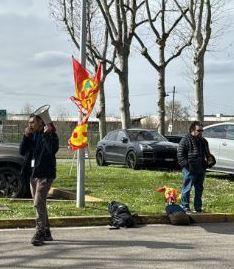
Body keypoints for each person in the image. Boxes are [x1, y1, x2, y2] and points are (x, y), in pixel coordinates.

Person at [19, 113, 59, 246]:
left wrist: (48, 134)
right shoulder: (32, 135)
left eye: (32, 122)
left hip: (45, 175)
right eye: (29, 122)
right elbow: (22, 151)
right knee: (40, 203)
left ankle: (40, 233)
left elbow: (52, 150)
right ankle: (47, 232)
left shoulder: (50, 135)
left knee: (38, 203)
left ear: (41, 123)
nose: (30, 124)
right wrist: (26, 136)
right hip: (33, 175)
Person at [177, 121, 211, 213]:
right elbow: (180, 155)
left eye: (202, 130)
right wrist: (186, 165)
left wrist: (209, 162)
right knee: (187, 188)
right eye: (199, 130)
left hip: (201, 168)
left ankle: (198, 207)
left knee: (199, 189)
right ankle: (185, 207)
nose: (201, 132)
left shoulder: (203, 141)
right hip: (189, 169)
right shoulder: (185, 140)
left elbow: (208, 155)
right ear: (192, 130)